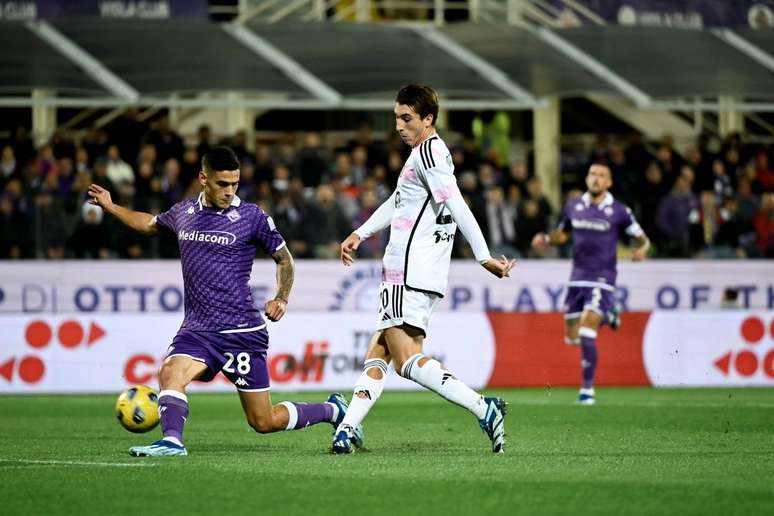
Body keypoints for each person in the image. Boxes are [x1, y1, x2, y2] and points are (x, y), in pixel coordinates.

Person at [88, 146, 359, 457]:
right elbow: (148, 224)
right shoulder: (184, 213)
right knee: (170, 372)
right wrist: (111, 206)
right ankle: (172, 441)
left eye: (235, 184)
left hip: (241, 331)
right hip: (198, 329)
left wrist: (281, 298)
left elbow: (284, 259)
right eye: (222, 184)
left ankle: (332, 410)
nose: (230, 191)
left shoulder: (251, 217)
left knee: (263, 420)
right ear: (204, 178)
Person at [333, 85, 516, 455]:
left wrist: (483, 256)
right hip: (420, 273)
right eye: (396, 118)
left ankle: (485, 408)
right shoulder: (424, 154)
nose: (399, 126)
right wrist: (361, 232)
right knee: (379, 352)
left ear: (427, 119)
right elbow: (399, 201)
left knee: (404, 360)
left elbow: (457, 204)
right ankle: (348, 428)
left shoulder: (430, 152)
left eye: (407, 118)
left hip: (408, 271)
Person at [532, 164, 649, 405]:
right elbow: (563, 234)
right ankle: (609, 314)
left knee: (587, 330)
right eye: (592, 174)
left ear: (609, 183)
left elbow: (642, 239)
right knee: (572, 337)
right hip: (577, 277)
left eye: (602, 176)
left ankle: (587, 391)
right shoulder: (574, 205)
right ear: (587, 179)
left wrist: (642, 250)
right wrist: (546, 238)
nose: (596, 179)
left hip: (603, 278)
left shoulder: (619, 211)